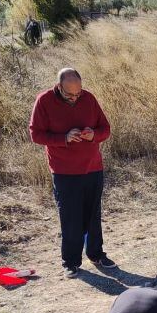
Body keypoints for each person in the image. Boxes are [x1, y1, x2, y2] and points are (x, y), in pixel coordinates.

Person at [29, 67, 115, 278]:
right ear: (58, 87)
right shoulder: (44, 101)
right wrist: (64, 138)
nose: (75, 98)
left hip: (93, 167)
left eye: (78, 93)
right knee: (70, 217)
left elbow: (105, 129)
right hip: (64, 171)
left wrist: (93, 134)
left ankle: (96, 254)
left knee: (93, 215)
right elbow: (36, 135)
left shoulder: (89, 99)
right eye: (70, 94)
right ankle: (71, 262)